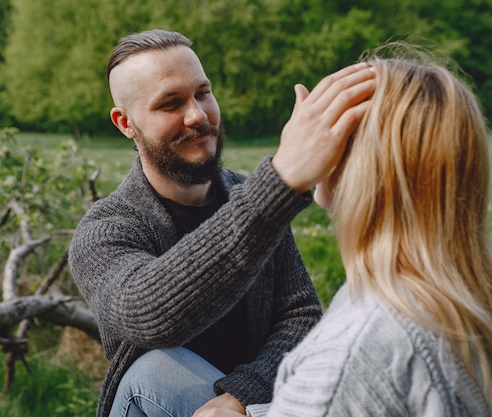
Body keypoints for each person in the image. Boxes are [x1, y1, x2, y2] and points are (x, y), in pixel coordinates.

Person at [68, 29, 376, 417]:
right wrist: (280, 182)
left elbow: (300, 316)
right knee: (152, 367)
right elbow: (146, 316)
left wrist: (238, 397)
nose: (197, 115)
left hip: (255, 406)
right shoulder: (106, 230)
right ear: (125, 123)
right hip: (156, 402)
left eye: (202, 93)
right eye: (170, 103)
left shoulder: (246, 194)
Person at [200, 46, 492, 417]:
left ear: (365, 162)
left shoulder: (352, 349)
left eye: (334, 125)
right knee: (156, 369)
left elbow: (339, 388)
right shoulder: (455, 292)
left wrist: (285, 171)